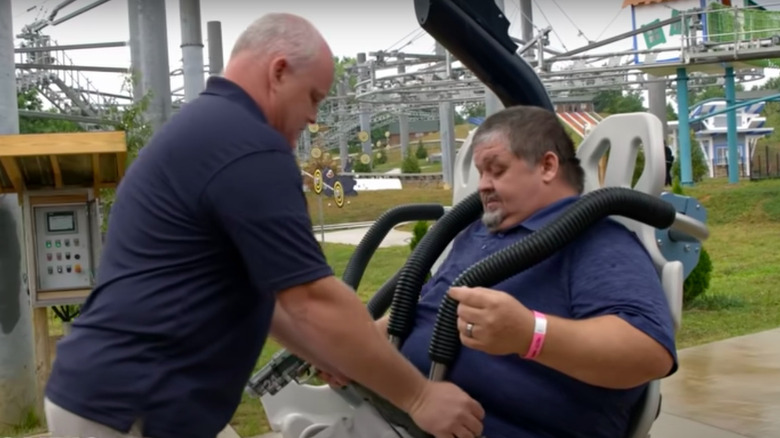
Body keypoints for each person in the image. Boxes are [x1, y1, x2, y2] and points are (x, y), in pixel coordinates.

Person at [43, 13, 484, 438]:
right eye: (313, 97)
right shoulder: (248, 147)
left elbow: (273, 302)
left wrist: (330, 354)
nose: (315, 117)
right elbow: (312, 298)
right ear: (278, 71)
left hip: (113, 397)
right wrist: (420, 397)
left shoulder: (209, 128)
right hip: (127, 411)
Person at [325, 105, 678, 438]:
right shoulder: (477, 233)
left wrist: (531, 334)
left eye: (497, 169)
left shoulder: (596, 241)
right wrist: (361, 348)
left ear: (547, 166)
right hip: (397, 411)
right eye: (481, 173)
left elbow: (648, 353)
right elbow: (424, 310)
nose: (482, 185)